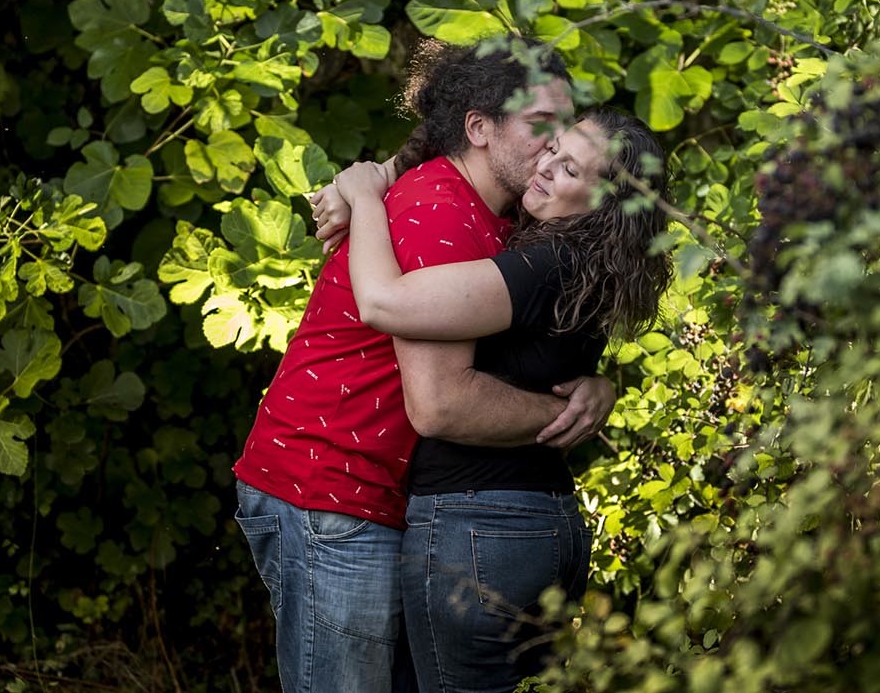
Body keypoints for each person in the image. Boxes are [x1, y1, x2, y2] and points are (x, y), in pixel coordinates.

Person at [232, 40, 618, 693]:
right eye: (541, 130)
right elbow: (441, 403)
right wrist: (569, 412)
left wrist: (601, 383)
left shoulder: (490, 216)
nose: (555, 151)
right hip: (329, 492)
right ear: (479, 128)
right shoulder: (442, 215)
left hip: (363, 492)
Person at [332, 106, 673, 693]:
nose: (544, 167)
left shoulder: (547, 263)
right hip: (542, 523)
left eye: (569, 169)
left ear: (602, 206)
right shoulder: (586, 262)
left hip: (480, 526)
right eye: (553, 149)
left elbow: (386, 303)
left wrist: (365, 197)